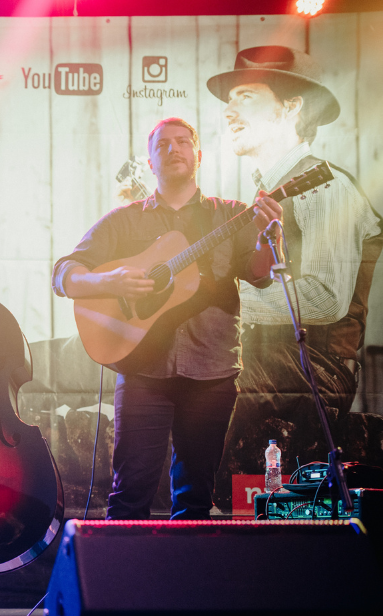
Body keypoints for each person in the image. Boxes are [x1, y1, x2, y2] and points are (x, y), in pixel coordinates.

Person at [51, 118, 282, 520]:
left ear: (198, 156)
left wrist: (269, 237)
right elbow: (64, 273)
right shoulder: (124, 220)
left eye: (182, 143)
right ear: (151, 161)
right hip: (143, 370)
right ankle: (119, 582)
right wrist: (112, 281)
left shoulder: (231, 215)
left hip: (212, 370)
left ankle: (182, 582)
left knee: (195, 498)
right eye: (163, 146)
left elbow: (261, 275)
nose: (173, 150)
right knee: (129, 495)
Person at [206, 46, 382, 483]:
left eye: (245, 96)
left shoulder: (325, 186)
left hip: (315, 368)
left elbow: (324, 301)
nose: (228, 111)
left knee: (195, 361)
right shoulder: (271, 192)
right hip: (270, 360)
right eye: (229, 100)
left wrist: (214, 304)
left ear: (291, 107)